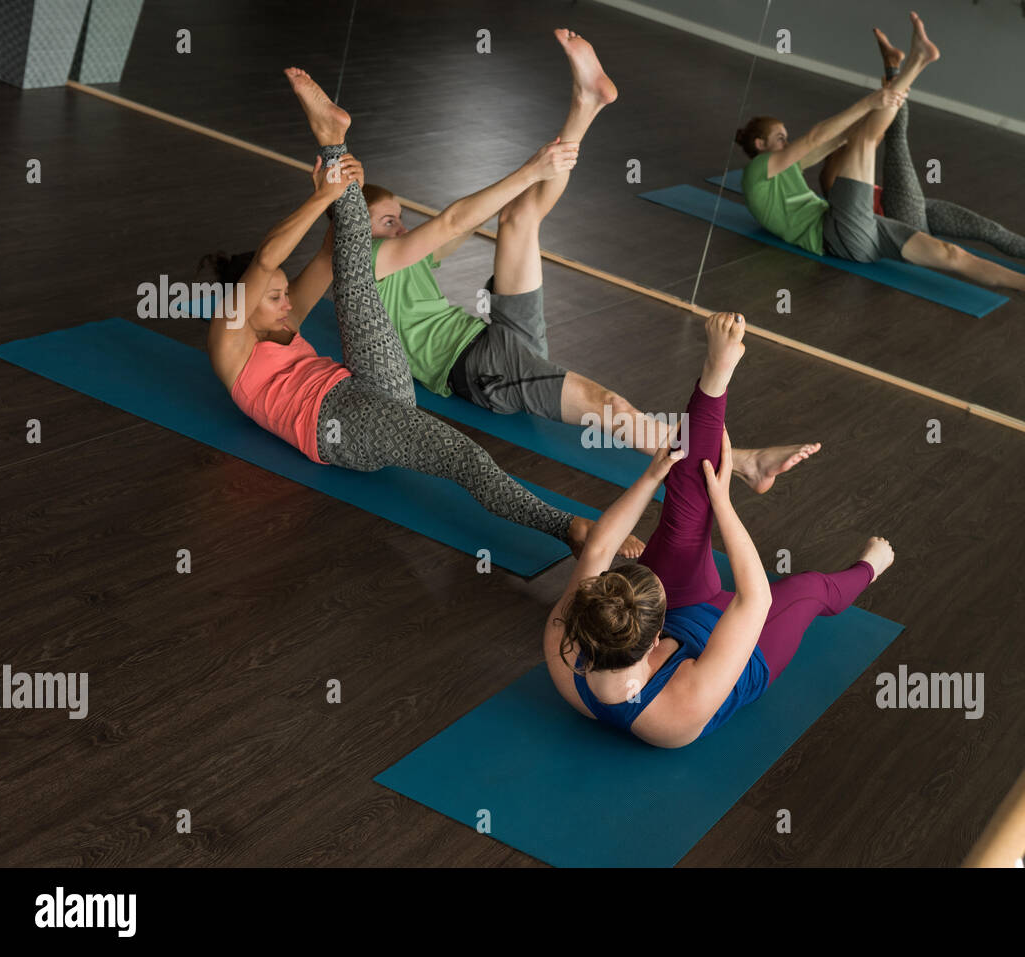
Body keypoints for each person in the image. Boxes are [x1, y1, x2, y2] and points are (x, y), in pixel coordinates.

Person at [354, 29, 819, 495]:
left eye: (399, 219)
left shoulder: (402, 256)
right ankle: (742, 463)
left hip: (491, 336)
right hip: (476, 369)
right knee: (610, 405)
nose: (399, 227)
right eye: (387, 220)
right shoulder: (369, 261)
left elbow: (483, 216)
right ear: (357, 231)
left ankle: (587, 102)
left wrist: (533, 173)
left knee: (520, 219)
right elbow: (455, 220)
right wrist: (530, 170)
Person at [205, 67, 640, 558]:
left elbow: (336, 256)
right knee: (464, 459)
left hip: (368, 383)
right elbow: (267, 258)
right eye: (275, 297)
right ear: (239, 303)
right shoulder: (231, 339)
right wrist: (325, 194)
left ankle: (333, 138)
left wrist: (345, 183)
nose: (290, 304)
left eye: (286, 294)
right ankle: (571, 530)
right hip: (339, 428)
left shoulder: (285, 321)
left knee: (355, 275)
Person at [542, 311, 895, 749]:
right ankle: (872, 566)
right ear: (656, 638)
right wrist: (723, 502)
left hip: (655, 618)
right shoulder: (675, 710)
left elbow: (598, 548)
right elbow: (755, 598)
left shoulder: (565, 642)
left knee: (682, 507)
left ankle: (716, 376)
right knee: (810, 589)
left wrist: (654, 476)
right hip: (738, 651)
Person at [735, 12, 1025, 300]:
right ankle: (916, 63)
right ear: (760, 146)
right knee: (867, 143)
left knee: (952, 254)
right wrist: (872, 101)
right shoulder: (759, 171)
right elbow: (816, 136)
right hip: (835, 235)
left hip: (859, 230)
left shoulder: (783, 170)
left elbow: (838, 135)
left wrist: (880, 97)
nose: (787, 142)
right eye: (779, 138)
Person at [812, 27, 1025, 277]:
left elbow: (875, 130)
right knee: (898, 141)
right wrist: (880, 95)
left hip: (909, 208)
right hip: (899, 220)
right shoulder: (830, 176)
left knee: (988, 229)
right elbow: (874, 136)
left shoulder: (853, 153)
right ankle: (896, 66)